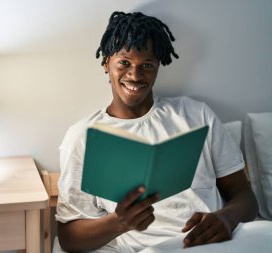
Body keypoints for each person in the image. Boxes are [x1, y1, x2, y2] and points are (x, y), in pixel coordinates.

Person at [55, 11, 258, 252]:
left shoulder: (196, 115)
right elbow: (68, 238)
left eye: (147, 65)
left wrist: (227, 218)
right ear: (106, 63)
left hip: (216, 244)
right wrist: (118, 223)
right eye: (124, 62)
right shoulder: (84, 137)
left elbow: (245, 196)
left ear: (158, 67)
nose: (135, 75)